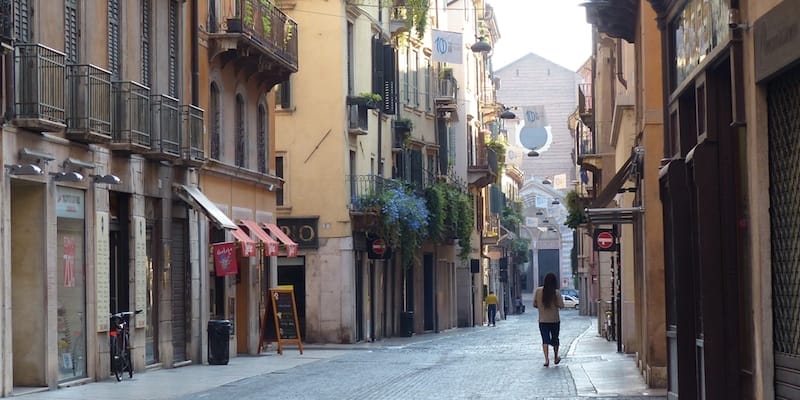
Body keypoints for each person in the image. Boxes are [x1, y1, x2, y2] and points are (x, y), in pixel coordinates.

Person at [533, 272, 564, 367]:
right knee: (555, 339)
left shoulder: (538, 291)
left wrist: (541, 307)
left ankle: (546, 360)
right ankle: (555, 357)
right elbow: (561, 305)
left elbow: (534, 304)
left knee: (545, 340)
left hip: (542, 320)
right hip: (554, 320)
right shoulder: (556, 293)